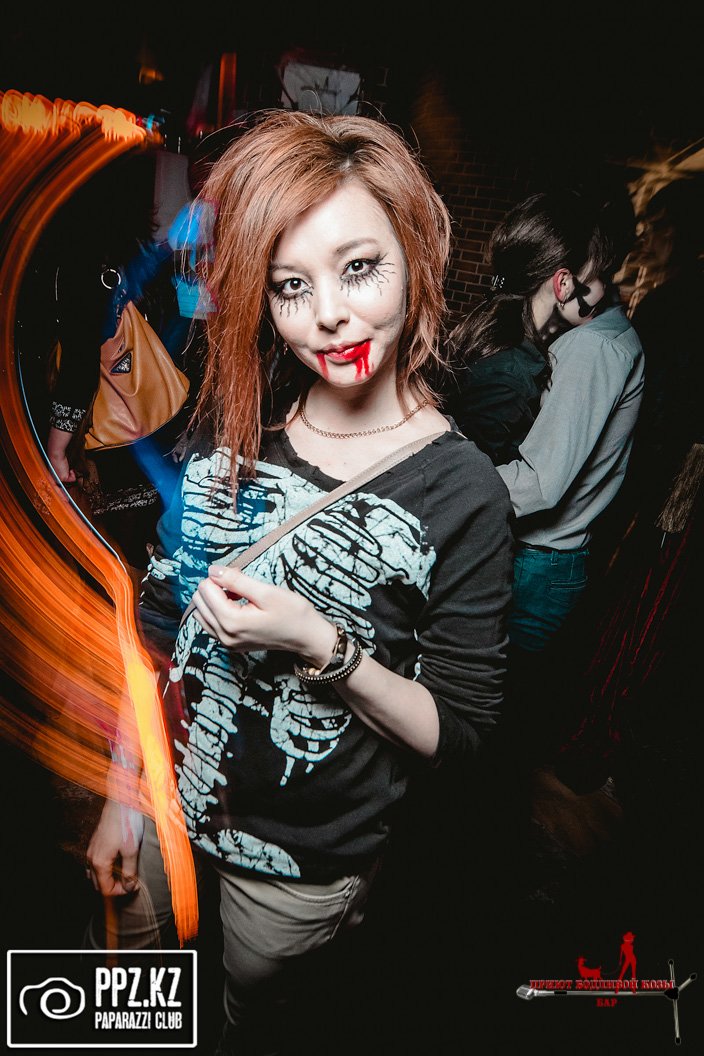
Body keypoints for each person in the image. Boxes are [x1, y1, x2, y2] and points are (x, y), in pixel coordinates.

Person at [85, 109, 514, 1056]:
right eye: (291, 285)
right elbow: (154, 630)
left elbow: (459, 731)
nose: (327, 314)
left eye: (359, 267)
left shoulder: (462, 491)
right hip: (161, 808)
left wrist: (322, 645)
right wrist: (121, 798)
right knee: (131, 1015)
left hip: (298, 861)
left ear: (414, 258)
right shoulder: (238, 421)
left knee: (251, 1026)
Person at [444, 190, 644, 661]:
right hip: (536, 560)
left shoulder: (592, 348)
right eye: (598, 274)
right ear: (563, 281)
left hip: (536, 563)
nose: (602, 288)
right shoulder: (585, 342)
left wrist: (438, 489)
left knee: (494, 695)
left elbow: (539, 483)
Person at [43, 153, 194, 576]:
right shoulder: (113, 244)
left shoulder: (75, 258)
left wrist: (56, 448)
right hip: (134, 426)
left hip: (96, 428)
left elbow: (79, 360)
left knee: (104, 542)